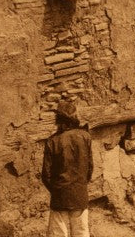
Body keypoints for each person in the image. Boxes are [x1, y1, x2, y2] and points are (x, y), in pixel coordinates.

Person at [41, 100, 93, 236]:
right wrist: (80, 184)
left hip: (60, 195)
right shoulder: (86, 137)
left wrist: (57, 189)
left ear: (58, 120)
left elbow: (46, 175)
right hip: (80, 194)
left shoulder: (53, 141)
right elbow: (90, 169)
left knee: (58, 234)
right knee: (81, 233)